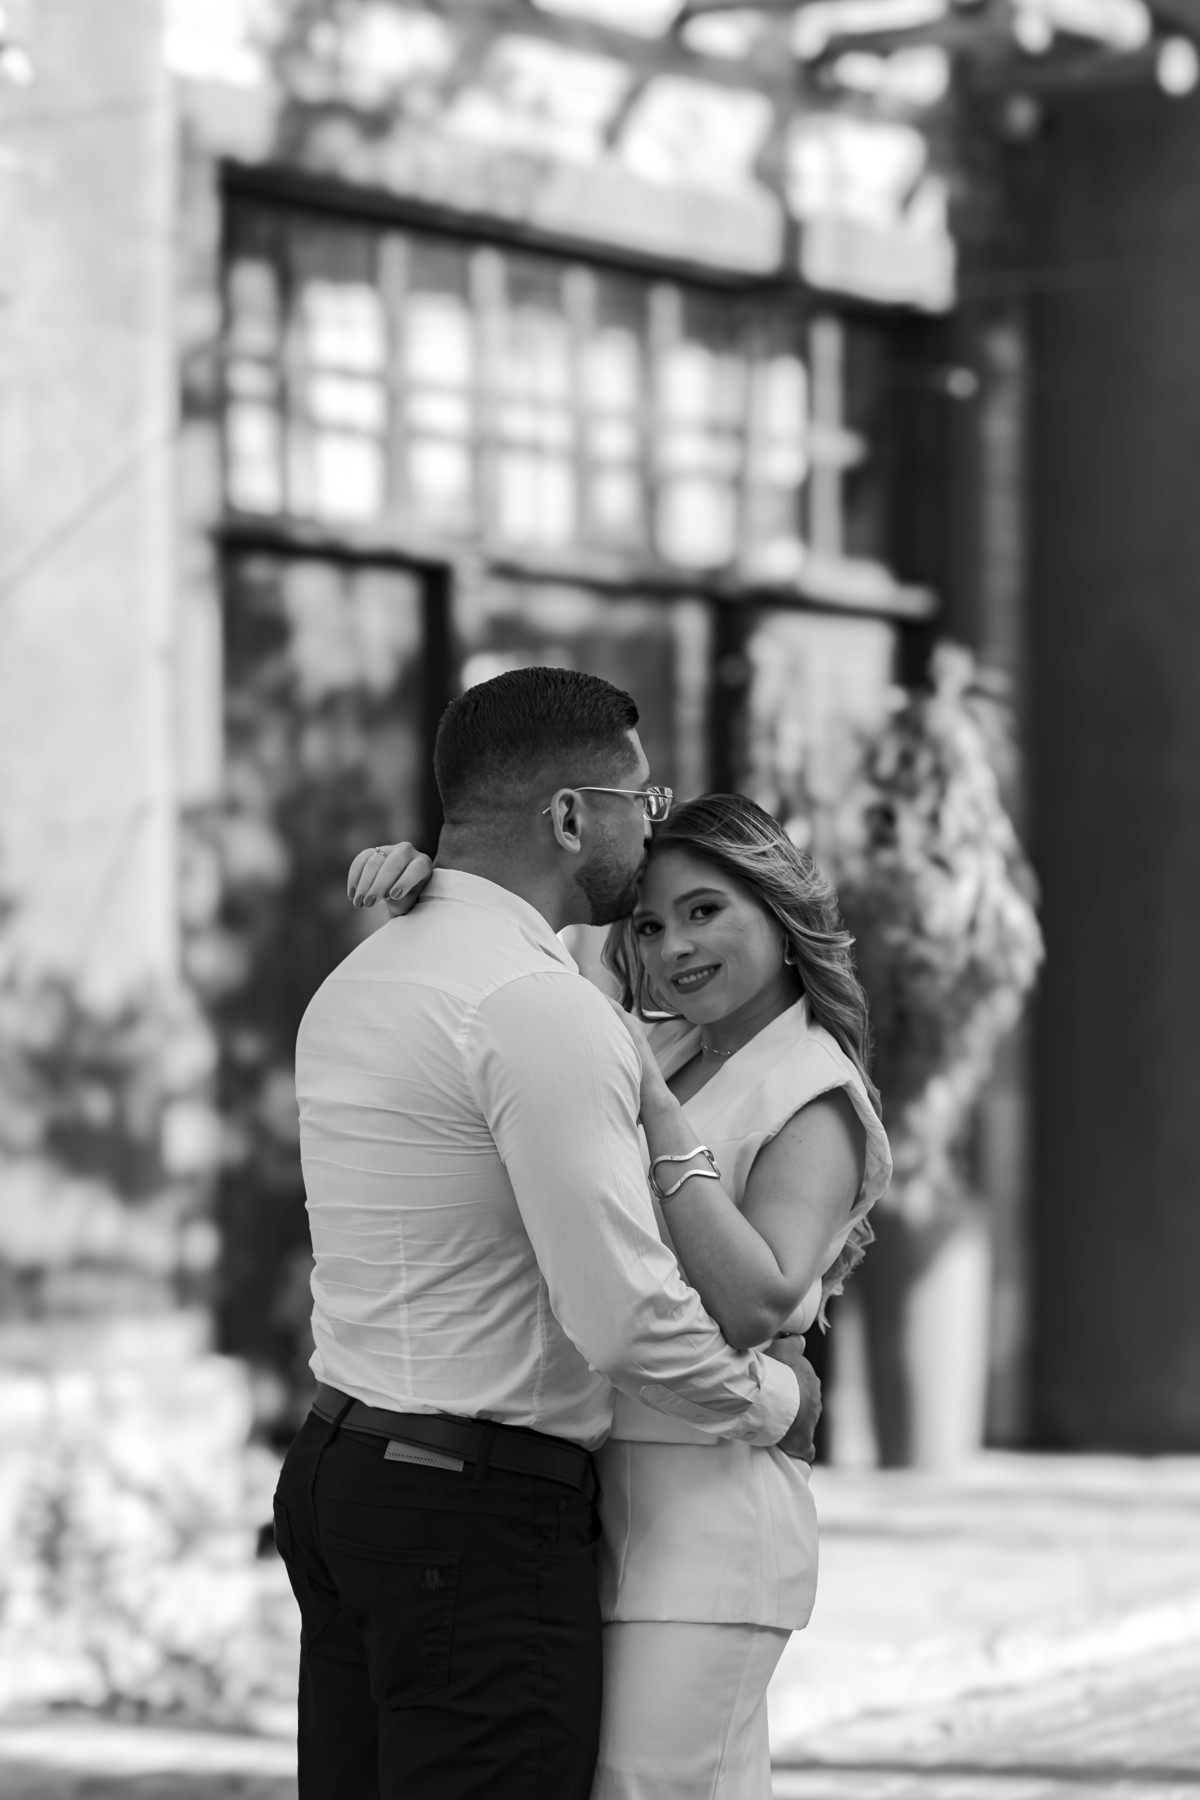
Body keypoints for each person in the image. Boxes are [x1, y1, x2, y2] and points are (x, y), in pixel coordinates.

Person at [275, 667, 821, 1800]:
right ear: (571, 816)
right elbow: (624, 1319)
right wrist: (777, 1403)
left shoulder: (360, 976)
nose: (652, 823)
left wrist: (427, 879)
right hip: (468, 1516)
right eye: (642, 800)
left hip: (342, 1471)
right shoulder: (534, 1005)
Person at [351, 790, 891, 1800]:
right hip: (594, 1511)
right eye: (648, 925)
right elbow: (523, 939)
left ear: (781, 918)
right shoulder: (671, 1048)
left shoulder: (811, 1089)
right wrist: (438, 891)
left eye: (705, 912)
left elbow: (758, 1301)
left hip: (711, 1531)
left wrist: (657, 1116)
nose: (673, 946)